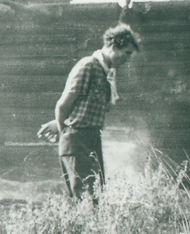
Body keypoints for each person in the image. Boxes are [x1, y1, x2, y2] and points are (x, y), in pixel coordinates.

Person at [37, 24, 141, 200]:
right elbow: (63, 105)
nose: (128, 59)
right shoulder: (88, 66)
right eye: (127, 53)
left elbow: (82, 107)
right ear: (114, 46)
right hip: (77, 139)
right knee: (86, 196)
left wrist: (61, 122)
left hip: (92, 137)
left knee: (97, 193)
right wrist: (66, 131)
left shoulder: (105, 72)